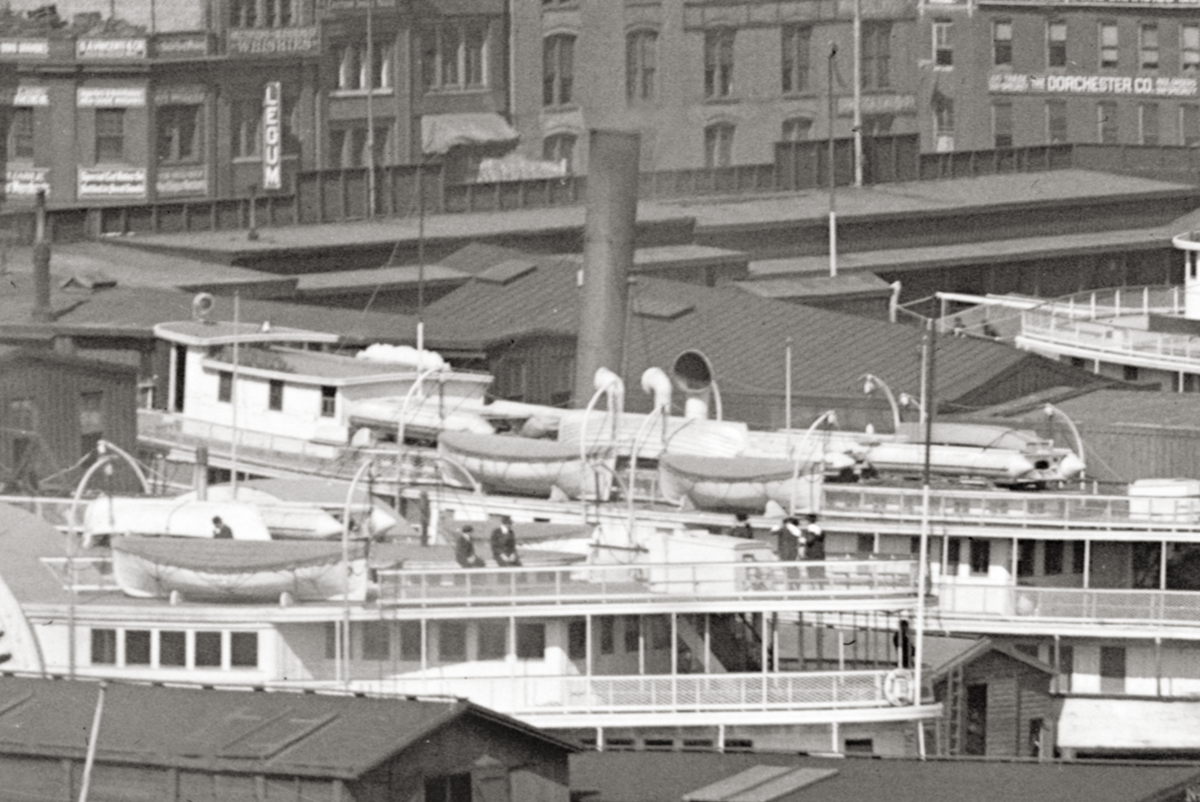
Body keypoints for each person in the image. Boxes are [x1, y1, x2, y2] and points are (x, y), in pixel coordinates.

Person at [804, 513, 826, 581]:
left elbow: (810, 540)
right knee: (819, 571)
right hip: (819, 552)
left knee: (812, 571)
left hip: (813, 552)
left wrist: (804, 542)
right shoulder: (819, 528)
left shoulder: (811, 527)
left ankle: (813, 587)